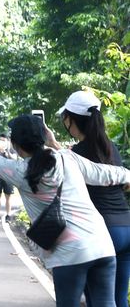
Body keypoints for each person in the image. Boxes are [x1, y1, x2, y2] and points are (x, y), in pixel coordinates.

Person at [0, 110, 130, 307]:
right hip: (101, 245)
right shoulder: (68, 158)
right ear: (44, 138)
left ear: (15, 145)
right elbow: (104, 173)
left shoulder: (18, 171)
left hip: (69, 254)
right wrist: (128, 177)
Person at [55, 90, 130, 307]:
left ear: (69, 119)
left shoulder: (78, 152)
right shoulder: (110, 146)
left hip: (102, 232)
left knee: (97, 300)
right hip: (126, 226)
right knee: (117, 300)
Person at [0, 134, 16, 223]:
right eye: (0, 140)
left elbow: (15, 159)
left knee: (8, 197)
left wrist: (7, 152)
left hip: (8, 176)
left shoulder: (12, 149)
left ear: (8, 141)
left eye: (4, 141)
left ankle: (8, 215)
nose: (2, 142)